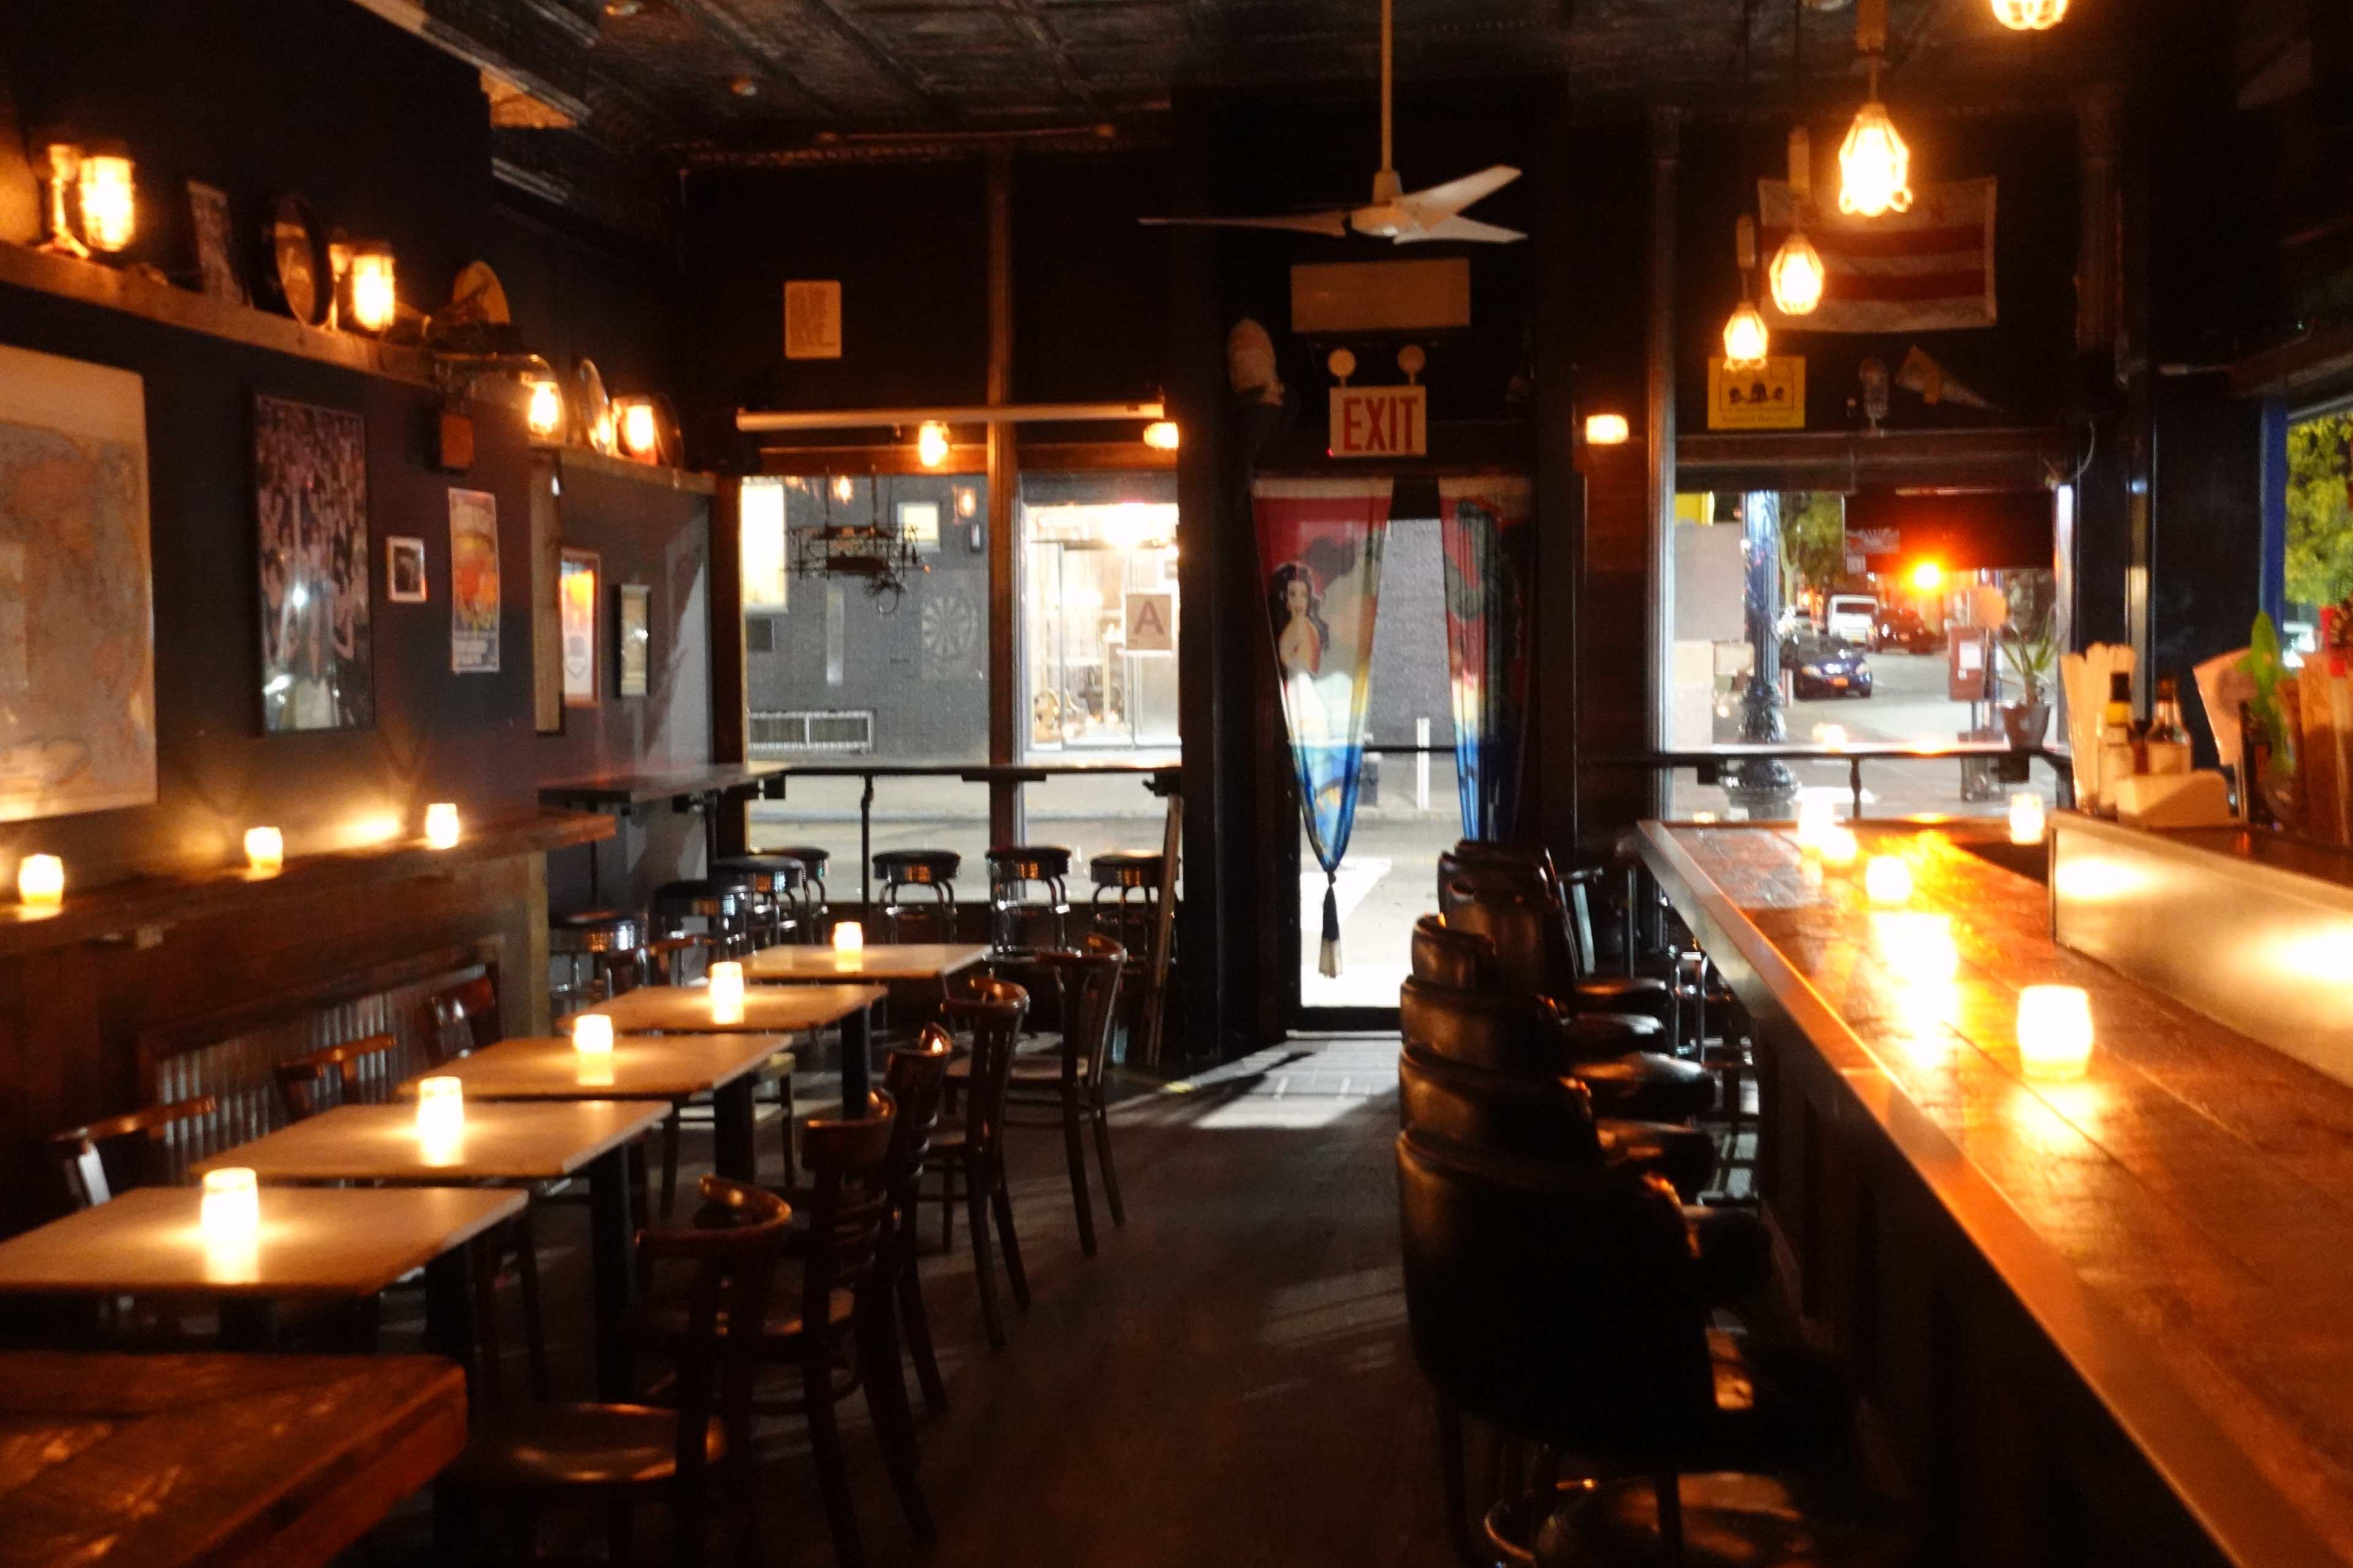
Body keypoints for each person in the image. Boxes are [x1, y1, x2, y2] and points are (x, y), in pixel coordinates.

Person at [1268, 561, 1333, 741]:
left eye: (1303, 595)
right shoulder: (1308, 627)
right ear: (1285, 599)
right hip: (1306, 702)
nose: (1298, 602)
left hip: (1302, 703)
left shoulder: (1299, 627)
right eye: (1293, 595)